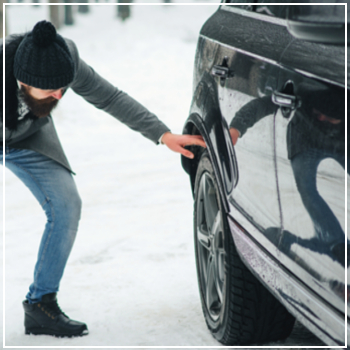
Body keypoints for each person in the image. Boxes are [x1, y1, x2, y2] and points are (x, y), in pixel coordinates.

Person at [0, 20, 206, 337]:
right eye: (49, 90)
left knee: (67, 205)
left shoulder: (64, 57)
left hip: (28, 140)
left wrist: (163, 135)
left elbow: (109, 97)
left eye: (62, 88)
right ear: (22, 80)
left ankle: (41, 303)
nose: (59, 96)